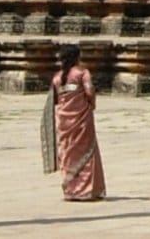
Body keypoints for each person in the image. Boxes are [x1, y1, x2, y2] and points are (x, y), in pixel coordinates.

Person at [44, 44, 106, 201]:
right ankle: (86, 190)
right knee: (86, 151)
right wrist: (91, 104)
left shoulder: (57, 78)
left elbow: (55, 100)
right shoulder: (82, 73)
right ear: (77, 58)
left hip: (64, 120)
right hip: (82, 118)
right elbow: (90, 90)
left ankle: (71, 189)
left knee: (68, 152)